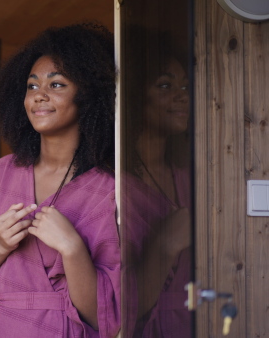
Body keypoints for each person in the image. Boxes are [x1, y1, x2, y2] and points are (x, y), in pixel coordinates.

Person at [0, 23, 120, 337]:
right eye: (32, 86)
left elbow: (101, 316)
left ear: (89, 96)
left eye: (57, 85)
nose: (39, 96)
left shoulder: (110, 190)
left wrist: (72, 248)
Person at [120, 28, 192, 337]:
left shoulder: (189, 178)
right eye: (165, 84)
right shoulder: (113, 186)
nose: (182, 95)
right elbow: (120, 306)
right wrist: (164, 246)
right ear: (135, 95)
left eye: (184, 86)